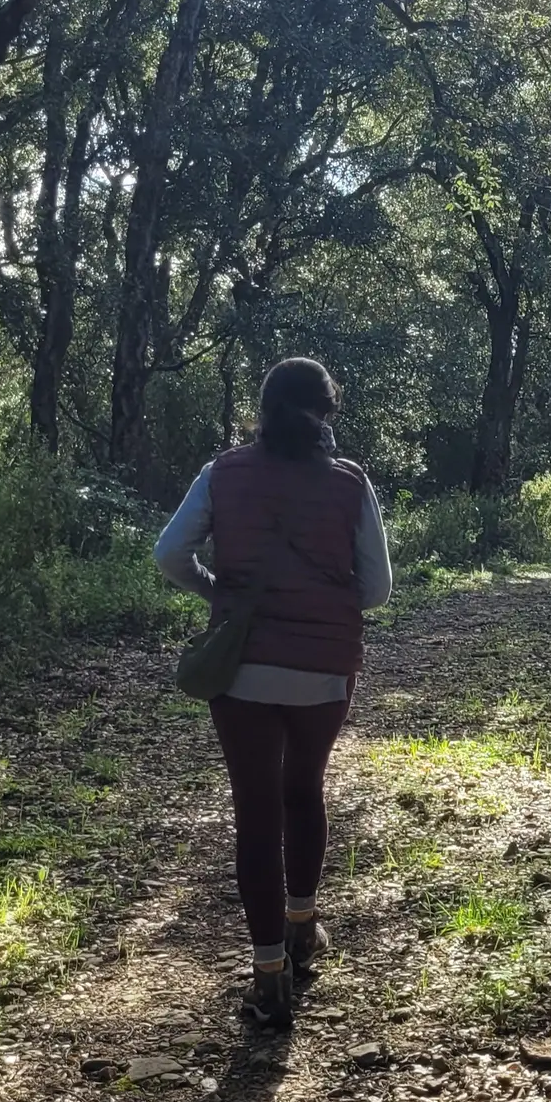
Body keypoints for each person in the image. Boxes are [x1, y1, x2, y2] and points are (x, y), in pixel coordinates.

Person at [155, 357, 392, 1026]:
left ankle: (268, 979)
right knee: (304, 790)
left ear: (262, 409)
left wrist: (219, 593)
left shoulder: (222, 473)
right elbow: (376, 590)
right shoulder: (349, 482)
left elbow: (170, 553)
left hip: (244, 665)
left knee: (256, 812)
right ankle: (303, 926)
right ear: (326, 413)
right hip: (325, 667)